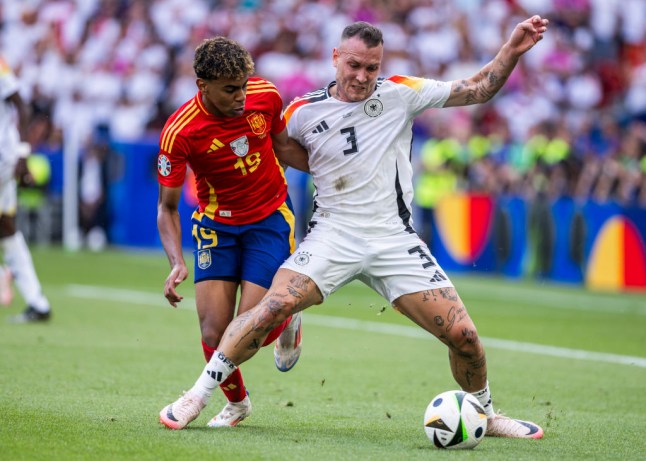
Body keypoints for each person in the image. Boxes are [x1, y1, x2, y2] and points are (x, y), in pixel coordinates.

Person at [159, 17, 549, 439]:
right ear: (335, 59)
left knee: (465, 335)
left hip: (393, 239)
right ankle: (197, 396)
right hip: (332, 234)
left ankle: (487, 414)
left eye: (371, 67)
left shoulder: (401, 93)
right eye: (353, 65)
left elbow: (478, 88)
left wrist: (511, 50)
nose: (362, 76)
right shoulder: (302, 112)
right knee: (271, 308)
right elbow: (272, 145)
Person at [157, 37, 307, 429]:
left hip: (269, 219)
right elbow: (167, 208)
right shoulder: (180, 132)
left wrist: (336, 173)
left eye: (243, 85)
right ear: (202, 85)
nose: (241, 95)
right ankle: (238, 404)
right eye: (230, 89)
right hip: (215, 225)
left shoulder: (266, 96)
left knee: (253, 325)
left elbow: (285, 149)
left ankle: (286, 316)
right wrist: (176, 262)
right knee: (213, 331)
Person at [0, 56, 51, 323]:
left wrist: (22, 152)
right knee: (6, 226)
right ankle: (38, 303)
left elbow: (21, 104)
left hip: (3, 154)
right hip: (7, 156)